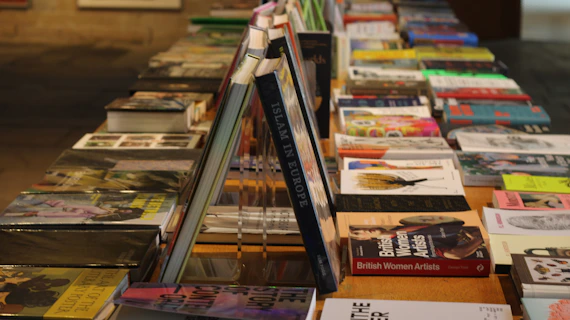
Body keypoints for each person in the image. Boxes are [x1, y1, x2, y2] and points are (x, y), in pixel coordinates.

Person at [349, 224, 484, 260]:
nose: (363, 229)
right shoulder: (404, 245)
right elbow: (454, 254)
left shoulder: (401, 225)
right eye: (357, 232)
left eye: (357, 227)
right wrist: (478, 240)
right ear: (362, 239)